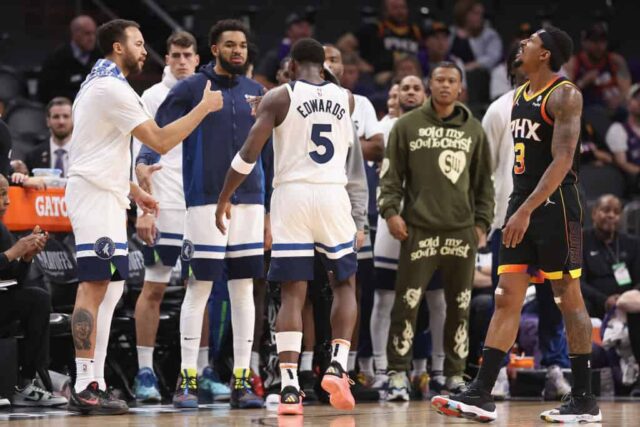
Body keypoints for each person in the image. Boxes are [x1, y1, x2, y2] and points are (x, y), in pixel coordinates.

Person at [432, 27, 602, 423]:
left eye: (529, 43)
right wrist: (517, 209)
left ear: (545, 55)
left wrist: (525, 210)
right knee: (506, 295)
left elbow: (562, 161)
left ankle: (583, 399)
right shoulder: (517, 97)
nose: (521, 45)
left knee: (567, 296)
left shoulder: (564, 95)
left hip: (557, 207)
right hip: (520, 205)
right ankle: (482, 391)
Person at [65, 19, 222, 415]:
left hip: (108, 193)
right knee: (94, 285)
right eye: (137, 43)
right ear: (117, 48)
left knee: (113, 289)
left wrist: (132, 189)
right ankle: (84, 381)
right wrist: (203, 108)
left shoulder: (100, 84)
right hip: (94, 196)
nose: (144, 50)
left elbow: (96, 146)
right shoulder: (111, 87)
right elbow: (162, 140)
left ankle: (94, 381)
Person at [215, 37, 358, 416]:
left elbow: (247, 155)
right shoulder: (348, 99)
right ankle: (339, 362)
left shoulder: (279, 96)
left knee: (292, 293)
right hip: (331, 193)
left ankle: (290, 387)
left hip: (291, 196)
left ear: (292, 66)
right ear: (324, 66)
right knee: (343, 283)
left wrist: (225, 197)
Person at [155, 19, 266, 409]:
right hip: (204, 199)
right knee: (199, 287)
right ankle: (187, 379)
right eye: (230, 45)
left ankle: (240, 378)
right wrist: (145, 162)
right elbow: (157, 131)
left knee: (243, 289)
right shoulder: (191, 88)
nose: (238, 51)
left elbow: (266, 153)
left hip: (251, 200)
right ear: (214, 49)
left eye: (243, 45)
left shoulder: (258, 92)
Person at [378, 62, 494, 397]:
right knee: (407, 303)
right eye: (439, 80)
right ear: (431, 85)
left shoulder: (474, 129)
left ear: (460, 88)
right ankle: (398, 373)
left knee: (459, 304)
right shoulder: (407, 125)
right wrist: (390, 212)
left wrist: (482, 223)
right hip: (418, 228)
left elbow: (484, 184)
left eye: (452, 81)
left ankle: (455, 374)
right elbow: (390, 176)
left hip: (461, 231)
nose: (445, 86)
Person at [131, 30, 230, 404]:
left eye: (188, 55)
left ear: (198, 56)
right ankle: (144, 371)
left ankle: (202, 369)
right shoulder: (153, 96)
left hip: (202, 200)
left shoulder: (212, 92)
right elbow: (138, 153)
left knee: (200, 287)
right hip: (165, 200)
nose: (182, 61)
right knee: (154, 286)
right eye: (175, 55)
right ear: (167, 58)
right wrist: (144, 207)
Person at [482, 45, 571, 400]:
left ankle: (555, 368)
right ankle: (499, 371)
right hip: (508, 219)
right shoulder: (498, 110)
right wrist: (487, 220)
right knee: (505, 299)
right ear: (512, 71)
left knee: (556, 299)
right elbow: (484, 172)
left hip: (549, 216)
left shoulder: (560, 101)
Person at [0, 175, 66, 408]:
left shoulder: (1, 229)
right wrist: (13, 252)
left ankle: (26, 383)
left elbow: (11, 280)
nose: (7, 201)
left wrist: (26, 258)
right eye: (1, 195)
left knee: (37, 299)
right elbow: (6, 258)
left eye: (7, 194)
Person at [582, 194, 640, 395]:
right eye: (606, 210)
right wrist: (604, 300)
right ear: (594, 213)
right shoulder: (581, 240)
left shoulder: (631, 243)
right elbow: (577, 282)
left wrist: (626, 300)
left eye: (616, 212)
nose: (611, 216)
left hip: (625, 306)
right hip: (595, 303)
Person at [565, 22, 631, 114]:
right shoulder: (573, 63)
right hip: (584, 113)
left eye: (602, 41)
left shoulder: (616, 61)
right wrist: (583, 82)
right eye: (594, 41)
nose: (599, 46)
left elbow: (627, 93)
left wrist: (618, 101)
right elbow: (564, 99)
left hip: (613, 113)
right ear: (584, 42)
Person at [356, 0, 422, 84]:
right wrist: (362, 64)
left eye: (402, 7)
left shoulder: (416, 31)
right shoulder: (375, 29)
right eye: (395, 8)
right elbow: (345, 45)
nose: (400, 11)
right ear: (385, 11)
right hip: (383, 77)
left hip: (414, 76)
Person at [39, 15, 100, 103]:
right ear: (75, 34)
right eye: (87, 33)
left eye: (94, 33)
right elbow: (46, 94)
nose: (92, 38)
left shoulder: (101, 56)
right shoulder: (56, 59)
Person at [254, 12, 313, 89]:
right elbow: (258, 79)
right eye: (300, 26)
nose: (305, 31)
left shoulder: (318, 53)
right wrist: (281, 91)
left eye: (308, 26)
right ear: (289, 30)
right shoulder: (278, 54)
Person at [449, 0, 503, 73]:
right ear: (464, 14)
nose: (479, 17)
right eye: (476, 13)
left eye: (481, 14)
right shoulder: (451, 32)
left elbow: (493, 56)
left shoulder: (490, 35)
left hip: (478, 76)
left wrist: (474, 65)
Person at [25, 97, 73, 176]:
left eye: (66, 116)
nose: (61, 122)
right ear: (48, 121)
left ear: (73, 119)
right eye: (56, 117)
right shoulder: (33, 156)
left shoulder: (84, 154)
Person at [605, 84, 640, 179]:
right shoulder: (618, 130)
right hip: (632, 187)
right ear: (628, 103)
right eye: (637, 98)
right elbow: (622, 164)